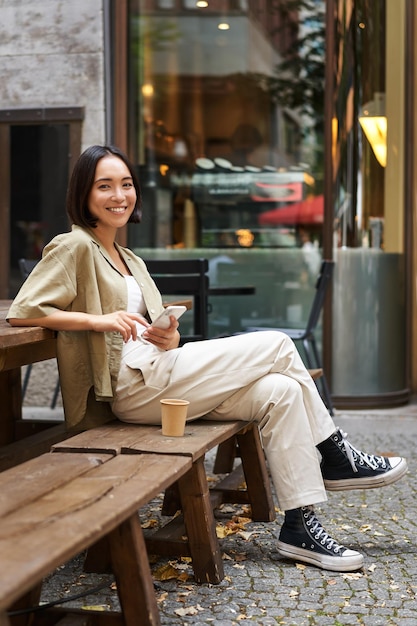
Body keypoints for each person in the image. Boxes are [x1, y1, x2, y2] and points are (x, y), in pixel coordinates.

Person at [7, 145, 407, 574]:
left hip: (158, 374)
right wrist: (98, 320)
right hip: (129, 384)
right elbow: (23, 310)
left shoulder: (131, 260)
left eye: (126, 184)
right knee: (276, 344)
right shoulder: (74, 246)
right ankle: (335, 453)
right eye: (104, 186)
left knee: (282, 390)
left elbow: (162, 342)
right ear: (83, 195)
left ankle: (299, 527)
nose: (118, 195)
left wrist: (167, 333)